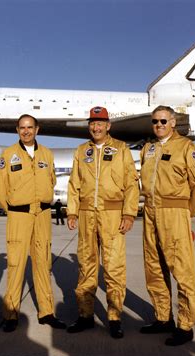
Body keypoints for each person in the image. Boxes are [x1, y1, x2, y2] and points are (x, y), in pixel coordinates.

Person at [66, 106, 139, 339]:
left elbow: (131, 184)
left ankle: (115, 317)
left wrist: (129, 214)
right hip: (87, 215)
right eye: (92, 123)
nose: (96, 127)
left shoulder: (121, 149)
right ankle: (85, 315)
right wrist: (71, 212)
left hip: (112, 215)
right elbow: (74, 183)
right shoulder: (81, 151)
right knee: (86, 265)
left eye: (100, 123)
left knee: (114, 267)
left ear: (108, 126)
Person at [139, 105, 195, 346]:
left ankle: (185, 324)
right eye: (155, 121)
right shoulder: (148, 149)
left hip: (174, 212)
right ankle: (162, 318)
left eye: (163, 121)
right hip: (149, 212)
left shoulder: (186, 148)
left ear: (173, 122)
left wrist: (186, 213)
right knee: (154, 268)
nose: (158, 125)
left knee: (182, 270)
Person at [0, 114, 66, 332]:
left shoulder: (47, 153)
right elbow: (0, 187)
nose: (26, 131)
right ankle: (11, 314)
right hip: (19, 216)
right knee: (16, 264)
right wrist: (14, 209)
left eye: (30, 127)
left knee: (43, 263)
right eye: (22, 128)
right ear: (17, 130)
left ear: (37, 129)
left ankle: (46, 312)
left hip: (42, 214)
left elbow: (51, 180)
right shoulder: (8, 155)